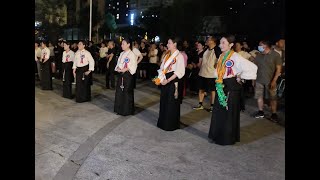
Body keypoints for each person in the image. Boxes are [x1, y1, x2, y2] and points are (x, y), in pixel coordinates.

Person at [208, 35, 257, 145]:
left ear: (231, 45)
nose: (221, 45)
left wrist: (241, 77)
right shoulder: (221, 55)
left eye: (223, 43)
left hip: (231, 87)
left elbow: (252, 67)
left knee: (228, 112)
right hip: (221, 85)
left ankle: (226, 138)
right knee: (219, 111)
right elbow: (218, 70)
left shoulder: (235, 56)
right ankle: (217, 134)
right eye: (220, 43)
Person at [154, 37, 185, 131]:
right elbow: (162, 68)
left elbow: (179, 71)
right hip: (165, 79)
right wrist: (161, 78)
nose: (167, 45)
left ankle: (171, 124)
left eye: (169, 43)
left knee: (171, 102)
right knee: (164, 101)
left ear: (175, 44)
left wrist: (168, 80)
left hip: (173, 80)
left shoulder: (179, 56)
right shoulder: (167, 54)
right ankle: (163, 122)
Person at [253, 40, 282, 122]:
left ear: (265, 46)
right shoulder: (258, 55)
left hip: (270, 80)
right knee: (259, 96)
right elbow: (254, 68)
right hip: (259, 80)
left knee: (273, 98)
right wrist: (253, 79)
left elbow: (278, 69)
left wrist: (274, 80)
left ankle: (274, 114)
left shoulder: (275, 55)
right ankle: (260, 111)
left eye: (260, 45)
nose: (259, 47)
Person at [193, 37, 218, 112]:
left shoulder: (217, 49)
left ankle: (212, 106)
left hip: (211, 74)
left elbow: (220, 58)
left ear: (212, 41)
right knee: (201, 89)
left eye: (208, 40)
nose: (206, 41)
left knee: (212, 90)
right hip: (203, 72)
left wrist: (217, 64)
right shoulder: (206, 50)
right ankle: (200, 104)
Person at [114, 38, 137, 116]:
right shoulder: (121, 53)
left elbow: (133, 66)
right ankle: (119, 109)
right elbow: (119, 63)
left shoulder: (132, 54)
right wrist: (117, 68)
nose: (122, 45)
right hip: (121, 74)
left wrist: (126, 68)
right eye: (121, 44)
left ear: (128, 44)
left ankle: (127, 110)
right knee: (119, 92)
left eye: (123, 44)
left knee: (127, 92)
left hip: (127, 75)